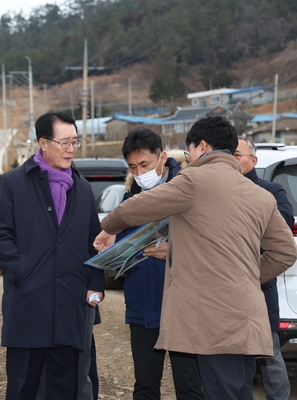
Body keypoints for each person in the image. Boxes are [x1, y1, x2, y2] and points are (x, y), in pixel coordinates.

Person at [94, 116, 297, 399]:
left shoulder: (194, 179)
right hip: (249, 318)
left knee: (219, 392)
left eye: (190, 149)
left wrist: (108, 227)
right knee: (240, 390)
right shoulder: (259, 195)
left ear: (202, 146)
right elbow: (286, 252)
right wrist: (249, 278)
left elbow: (141, 205)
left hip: (212, 321)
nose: (189, 156)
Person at [0, 111, 104, 400]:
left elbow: (94, 241)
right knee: (24, 385)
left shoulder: (83, 188)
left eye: (75, 142)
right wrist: (19, 271)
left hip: (70, 304)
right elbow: (0, 235)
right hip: (30, 302)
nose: (70, 149)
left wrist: (95, 283)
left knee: (66, 387)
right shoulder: (13, 183)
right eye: (64, 142)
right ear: (42, 142)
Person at [117, 128, 203, 400]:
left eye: (145, 164)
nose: (140, 172)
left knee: (189, 387)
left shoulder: (189, 187)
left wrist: (175, 251)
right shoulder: (130, 196)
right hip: (143, 304)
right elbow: (122, 244)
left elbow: (210, 243)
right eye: (133, 166)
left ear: (162, 157)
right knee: (145, 386)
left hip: (184, 305)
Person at [235, 138, 293, 400]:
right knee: (235, 365)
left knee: (270, 356)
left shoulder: (271, 190)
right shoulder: (215, 192)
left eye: (237, 154)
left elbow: (284, 224)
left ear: (253, 160)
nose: (232, 160)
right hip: (225, 291)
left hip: (260, 285)